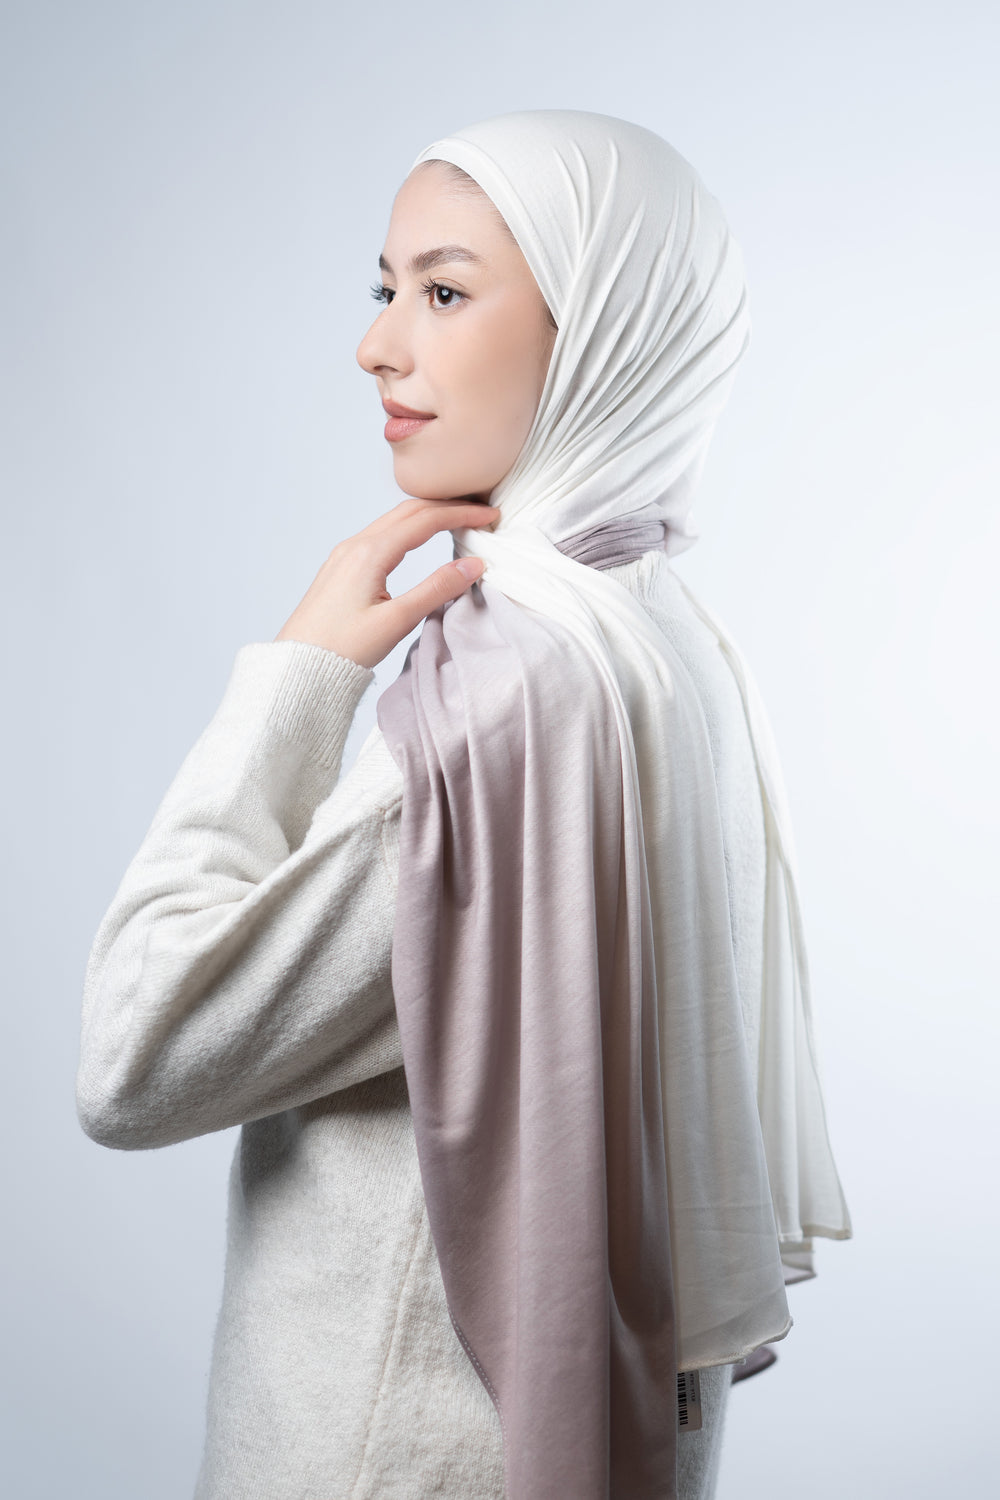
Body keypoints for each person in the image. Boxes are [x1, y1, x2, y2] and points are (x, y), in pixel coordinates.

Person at [76, 110, 852, 1499]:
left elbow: (137, 1057)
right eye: (384, 288)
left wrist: (298, 678)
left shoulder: (503, 704)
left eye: (443, 293)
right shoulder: (667, 638)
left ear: (601, 332)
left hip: (393, 1458)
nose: (377, 346)